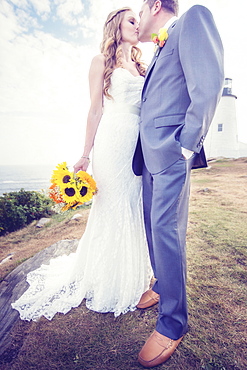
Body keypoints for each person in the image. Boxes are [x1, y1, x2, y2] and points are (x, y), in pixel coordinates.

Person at [11, 7, 152, 321]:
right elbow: (94, 111)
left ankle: (133, 273)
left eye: (138, 20)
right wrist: (85, 154)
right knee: (112, 206)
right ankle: (108, 281)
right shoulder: (100, 62)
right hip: (113, 142)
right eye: (131, 19)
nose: (137, 24)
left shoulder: (143, 66)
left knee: (132, 205)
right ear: (116, 24)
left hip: (138, 145)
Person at [133, 0, 224, 367]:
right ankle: (161, 284)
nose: (137, 19)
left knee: (165, 228)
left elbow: (208, 86)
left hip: (171, 152)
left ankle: (172, 323)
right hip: (149, 154)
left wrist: (185, 147)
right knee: (153, 229)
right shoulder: (160, 44)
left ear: (155, 5)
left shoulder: (193, 20)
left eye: (139, 10)